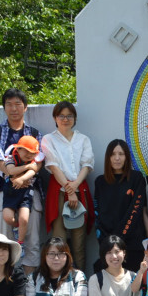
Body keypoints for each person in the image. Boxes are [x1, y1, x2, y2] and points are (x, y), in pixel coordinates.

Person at [0, 89, 43, 273]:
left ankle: (30, 283)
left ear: (25, 107)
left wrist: (24, 179)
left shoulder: (35, 133)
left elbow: (38, 163)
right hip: (3, 190)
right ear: (4, 107)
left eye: (18, 104)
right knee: (4, 241)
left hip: (30, 190)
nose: (14, 108)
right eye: (9, 104)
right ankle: (9, 281)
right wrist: (15, 179)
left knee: (32, 239)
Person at [41, 101, 95, 270]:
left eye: (69, 116)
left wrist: (75, 185)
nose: (65, 119)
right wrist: (68, 189)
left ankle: (81, 278)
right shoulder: (48, 139)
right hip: (58, 191)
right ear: (55, 118)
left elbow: (87, 164)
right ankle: (58, 278)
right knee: (59, 240)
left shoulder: (83, 139)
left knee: (79, 241)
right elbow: (53, 165)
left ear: (75, 118)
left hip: (80, 190)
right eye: (61, 116)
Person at [94, 138, 147, 271]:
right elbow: (97, 212)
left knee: (133, 282)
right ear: (108, 157)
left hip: (132, 244)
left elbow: (135, 209)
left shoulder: (136, 178)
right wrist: (108, 241)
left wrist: (119, 237)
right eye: (113, 154)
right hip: (108, 245)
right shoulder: (100, 181)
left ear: (127, 157)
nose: (117, 158)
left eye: (121, 154)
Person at [2, 135, 45, 250]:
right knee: (8, 218)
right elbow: (11, 170)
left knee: (24, 219)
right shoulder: (11, 158)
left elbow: (33, 171)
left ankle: (20, 243)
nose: (29, 155)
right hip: (10, 191)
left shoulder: (35, 161)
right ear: (18, 149)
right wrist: (27, 166)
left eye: (33, 153)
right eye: (26, 151)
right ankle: (17, 227)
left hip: (26, 192)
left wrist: (21, 179)